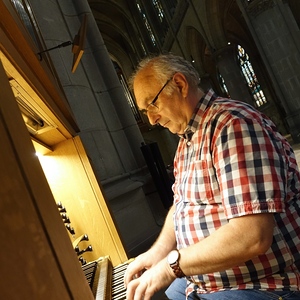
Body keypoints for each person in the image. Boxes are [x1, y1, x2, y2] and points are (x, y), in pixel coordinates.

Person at [124, 54, 300, 300]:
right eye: (145, 111)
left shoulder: (233, 125)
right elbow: (181, 205)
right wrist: (159, 252)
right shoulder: (187, 140)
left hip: (263, 285)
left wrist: (171, 265)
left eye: (152, 104)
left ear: (180, 84)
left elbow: (253, 236)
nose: (151, 119)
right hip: (205, 280)